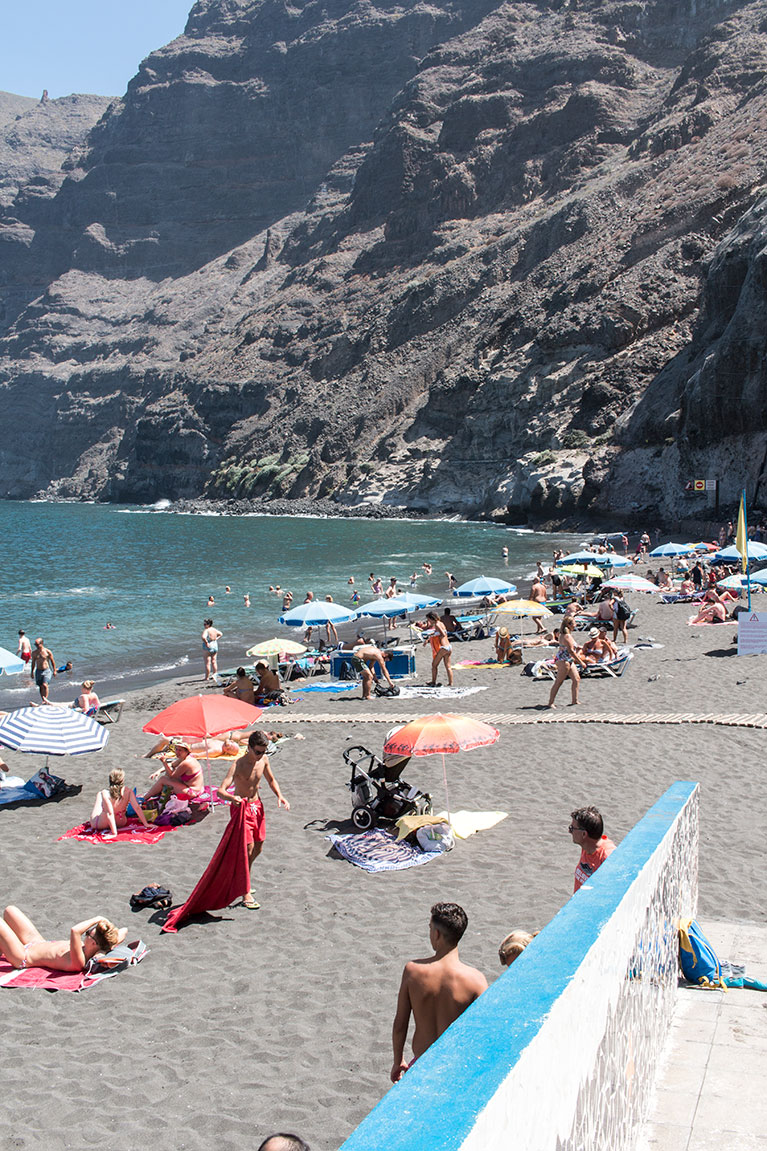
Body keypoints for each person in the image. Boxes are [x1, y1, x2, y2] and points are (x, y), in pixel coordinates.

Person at [391, 902, 487, 1082]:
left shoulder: (413, 971)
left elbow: (400, 1024)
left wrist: (398, 1061)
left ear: (436, 934)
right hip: (455, 1067)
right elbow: (482, 1032)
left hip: (422, 1064)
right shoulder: (476, 980)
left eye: (430, 928)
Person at [217, 730, 290, 910]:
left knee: (258, 847)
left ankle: (244, 879)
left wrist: (280, 796)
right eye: (257, 751)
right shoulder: (238, 765)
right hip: (241, 809)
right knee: (247, 849)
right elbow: (221, 791)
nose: (260, 755)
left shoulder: (263, 760)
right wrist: (231, 798)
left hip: (257, 807)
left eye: (263, 752)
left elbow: (271, 780)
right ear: (248, 747)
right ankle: (245, 893)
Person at [0, 906, 126, 972]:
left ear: (93, 943)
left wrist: (97, 918)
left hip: (23, 957)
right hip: (36, 942)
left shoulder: (79, 961)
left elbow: (75, 931)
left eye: (87, 933)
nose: (85, 934)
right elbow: (124, 931)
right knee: (10, 910)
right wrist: (104, 949)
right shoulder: (95, 945)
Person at [90, 769, 150, 837]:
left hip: (103, 823)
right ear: (122, 780)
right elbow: (137, 808)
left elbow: (110, 813)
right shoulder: (128, 791)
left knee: (99, 794)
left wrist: (114, 833)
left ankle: (107, 823)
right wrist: (146, 824)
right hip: (121, 822)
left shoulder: (105, 793)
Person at [570, 806, 616, 892]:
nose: (570, 831)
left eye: (572, 828)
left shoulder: (607, 857)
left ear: (584, 834)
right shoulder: (586, 847)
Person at [547, 617, 587, 708]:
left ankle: (574, 700)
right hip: (563, 660)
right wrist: (581, 662)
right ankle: (550, 703)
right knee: (559, 682)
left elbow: (571, 647)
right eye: (574, 623)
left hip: (568, 659)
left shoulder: (566, 635)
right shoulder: (566, 636)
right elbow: (571, 651)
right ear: (569, 625)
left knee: (576, 679)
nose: (575, 625)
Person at [424, 611, 453, 687]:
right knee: (448, 666)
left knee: (434, 665)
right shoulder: (441, 623)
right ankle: (450, 683)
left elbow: (442, 634)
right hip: (449, 646)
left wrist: (435, 635)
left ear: (432, 618)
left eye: (429, 619)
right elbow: (440, 632)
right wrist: (430, 637)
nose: (428, 621)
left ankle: (433, 682)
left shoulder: (437, 624)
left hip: (443, 647)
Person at [29, 637, 56, 703]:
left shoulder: (47, 651)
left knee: (45, 685)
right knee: (41, 686)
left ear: (42, 643)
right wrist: (32, 672)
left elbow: (52, 661)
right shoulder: (34, 653)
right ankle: (43, 700)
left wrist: (54, 670)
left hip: (46, 671)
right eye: (35, 644)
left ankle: (45, 700)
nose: (36, 646)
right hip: (38, 671)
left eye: (37, 644)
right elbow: (33, 663)